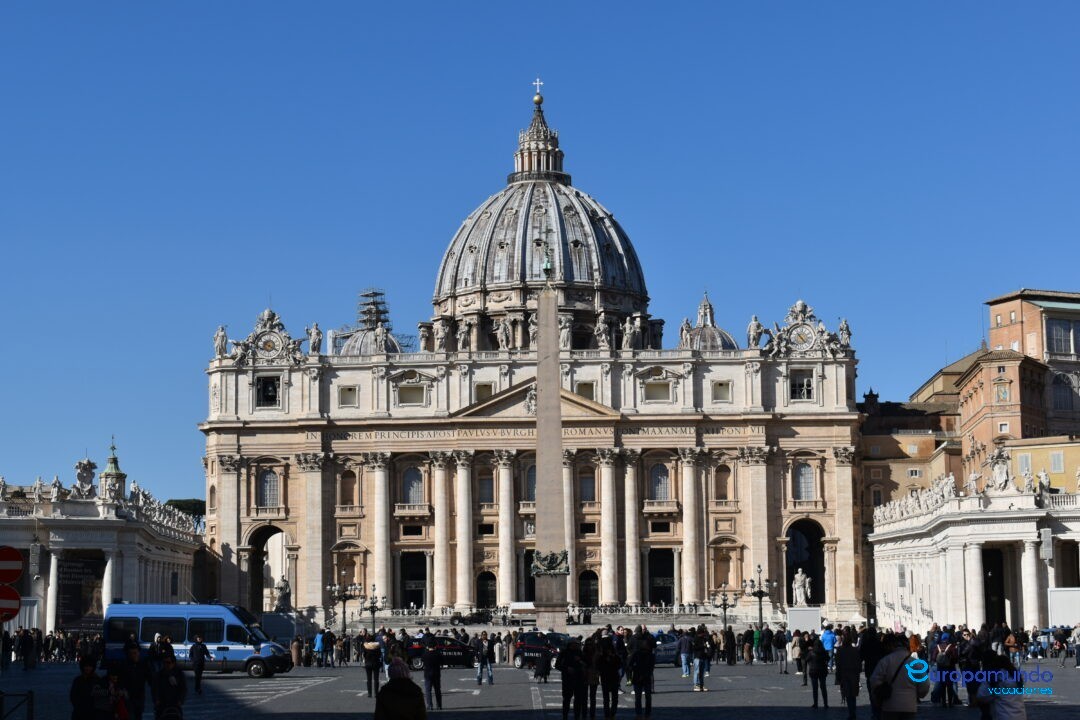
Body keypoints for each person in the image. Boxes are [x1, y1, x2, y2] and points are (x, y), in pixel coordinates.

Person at [869, 633, 929, 720]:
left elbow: (874, 681)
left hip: (890, 705)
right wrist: (918, 694)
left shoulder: (885, 661)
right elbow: (925, 685)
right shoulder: (915, 663)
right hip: (909, 705)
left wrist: (878, 695)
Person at [976, 652, 1026, 720]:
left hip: (1003, 715)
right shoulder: (1017, 677)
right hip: (1020, 715)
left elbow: (981, 696)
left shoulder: (994, 678)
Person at [555, 638, 587, 720]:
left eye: (577, 644)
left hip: (579, 678)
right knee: (566, 699)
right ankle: (565, 716)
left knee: (578, 699)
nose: (576, 645)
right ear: (570, 644)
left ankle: (577, 716)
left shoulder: (580, 653)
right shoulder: (564, 652)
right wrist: (566, 669)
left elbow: (586, 664)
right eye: (574, 644)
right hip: (567, 679)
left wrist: (580, 660)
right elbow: (557, 665)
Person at [119, 643, 153, 719]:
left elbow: (151, 679)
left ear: (139, 653)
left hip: (139, 696)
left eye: (135, 653)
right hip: (127, 697)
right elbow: (119, 679)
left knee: (138, 715)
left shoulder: (143, 664)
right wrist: (122, 689)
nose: (133, 655)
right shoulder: (123, 665)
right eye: (131, 653)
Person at [835, 629, 862, 720]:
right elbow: (859, 663)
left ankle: (851, 712)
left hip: (845, 674)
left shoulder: (840, 650)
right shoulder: (855, 650)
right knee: (853, 695)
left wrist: (838, 676)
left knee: (848, 694)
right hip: (854, 674)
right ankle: (852, 711)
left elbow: (838, 664)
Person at [152, 654, 187, 720]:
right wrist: (156, 700)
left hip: (175, 704)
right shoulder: (159, 675)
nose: (166, 665)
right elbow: (155, 688)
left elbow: (183, 688)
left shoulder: (179, 674)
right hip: (162, 704)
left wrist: (180, 700)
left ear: (173, 663)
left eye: (168, 662)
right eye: (164, 663)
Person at [627, 639, 655, 720]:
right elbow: (651, 668)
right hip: (645, 677)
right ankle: (647, 713)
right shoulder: (650, 655)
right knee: (647, 697)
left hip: (638, 677)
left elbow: (629, 665)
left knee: (638, 697)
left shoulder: (637, 653)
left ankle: (639, 713)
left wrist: (634, 669)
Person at [597, 637, 622, 718]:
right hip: (609, 677)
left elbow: (619, 664)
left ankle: (610, 713)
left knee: (610, 698)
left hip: (610, 677)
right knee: (610, 698)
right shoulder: (603, 656)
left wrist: (612, 657)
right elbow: (599, 666)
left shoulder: (612, 655)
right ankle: (609, 713)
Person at [806, 638, 829, 708]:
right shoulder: (824, 652)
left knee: (815, 688)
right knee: (823, 687)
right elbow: (828, 658)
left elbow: (806, 659)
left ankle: (815, 703)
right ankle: (825, 704)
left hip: (813, 671)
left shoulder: (811, 652)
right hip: (822, 671)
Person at [421, 640, 442, 712]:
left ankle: (430, 705)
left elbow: (422, 660)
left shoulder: (425, 654)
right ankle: (439, 705)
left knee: (428, 690)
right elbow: (442, 661)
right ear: (435, 646)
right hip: (436, 673)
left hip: (427, 674)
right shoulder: (438, 654)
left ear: (427, 646)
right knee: (437, 690)